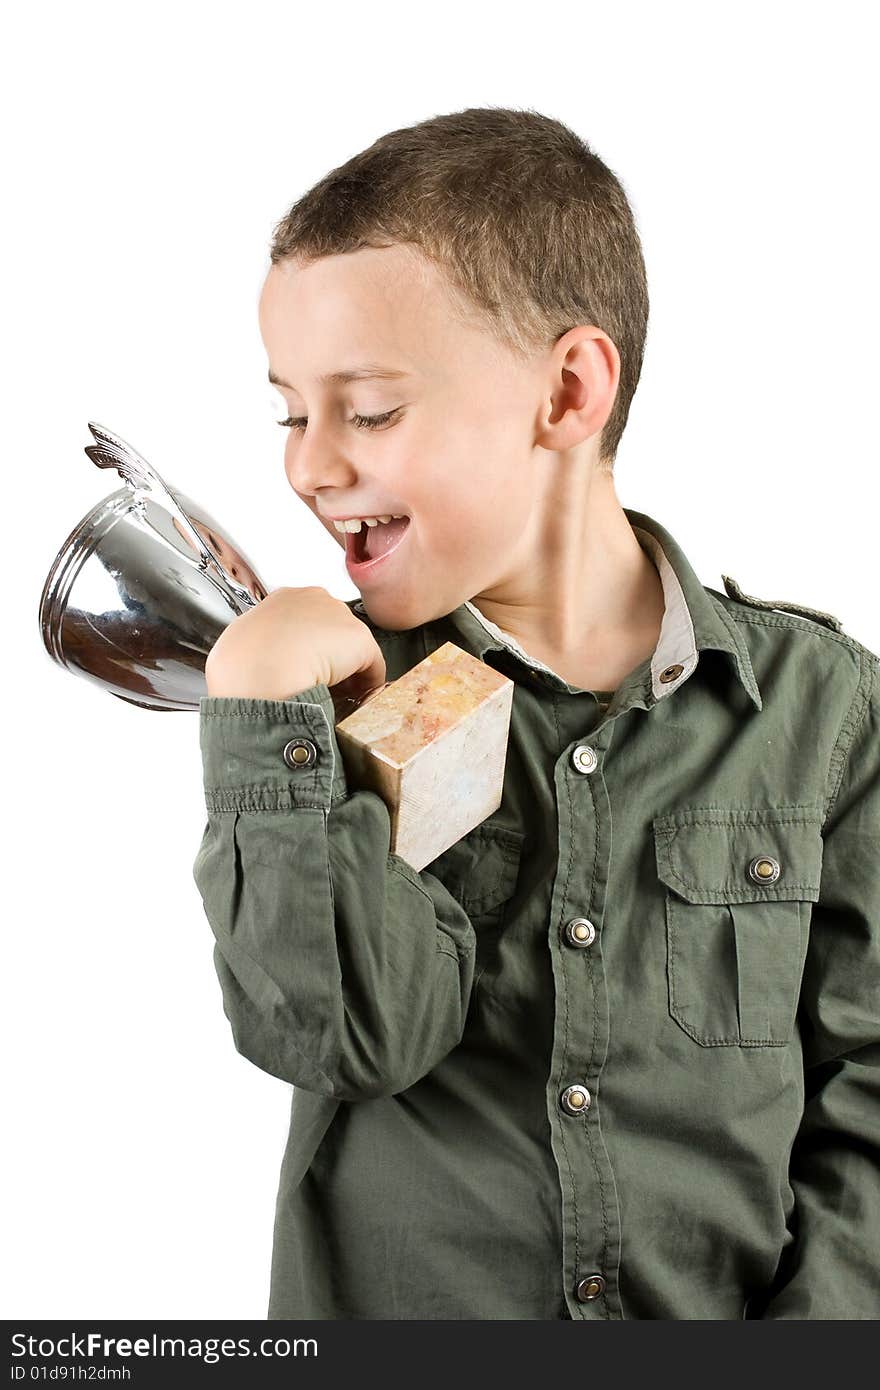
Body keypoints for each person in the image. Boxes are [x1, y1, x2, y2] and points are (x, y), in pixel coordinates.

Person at [191, 106, 880, 1319]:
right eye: (290, 411)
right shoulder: (346, 695)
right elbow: (341, 1035)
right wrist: (266, 725)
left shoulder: (824, 713)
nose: (306, 465)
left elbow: (867, 1097)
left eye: (368, 408)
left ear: (567, 390)